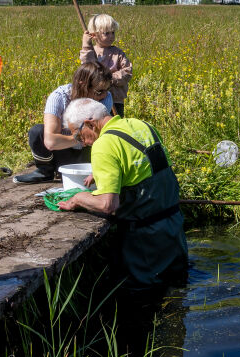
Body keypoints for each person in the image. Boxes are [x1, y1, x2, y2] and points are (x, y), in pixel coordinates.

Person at [55, 98, 187, 289]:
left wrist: (78, 199)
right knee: (178, 291)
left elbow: (108, 205)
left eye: (78, 136)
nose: (82, 143)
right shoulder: (141, 125)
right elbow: (145, 166)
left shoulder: (103, 145)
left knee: (142, 298)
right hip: (174, 231)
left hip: (146, 241)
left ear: (90, 123)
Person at [13, 60, 114, 184]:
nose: (104, 95)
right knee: (37, 131)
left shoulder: (106, 97)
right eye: (99, 91)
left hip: (87, 153)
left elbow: (99, 135)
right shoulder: (59, 97)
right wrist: (79, 138)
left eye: (107, 89)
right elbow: (50, 141)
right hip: (63, 151)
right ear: (81, 84)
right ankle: (45, 171)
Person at [79, 13, 133, 117]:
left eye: (113, 32)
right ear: (94, 35)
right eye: (106, 33)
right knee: (96, 125)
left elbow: (127, 71)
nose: (111, 36)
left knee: (115, 126)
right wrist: (86, 44)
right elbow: (86, 66)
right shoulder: (90, 51)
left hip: (115, 99)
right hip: (96, 98)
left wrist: (109, 79)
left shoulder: (118, 53)